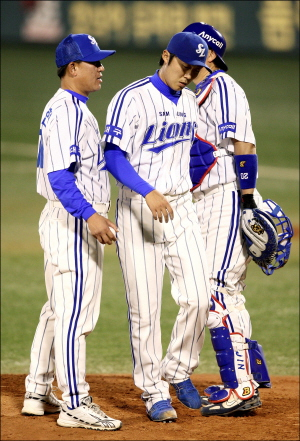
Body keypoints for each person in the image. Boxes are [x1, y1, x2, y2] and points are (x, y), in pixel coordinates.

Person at [101, 32, 212, 423]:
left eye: (196, 71)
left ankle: (177, 368)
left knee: (200, 297)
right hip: (139, 210)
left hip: (180, 208)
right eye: (184, 67)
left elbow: (193, 154)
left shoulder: (189, 100)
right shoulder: (131, 98)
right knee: (145, 310)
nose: (189, 76)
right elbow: (113, 156)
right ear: (166, 56)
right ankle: (153, 391)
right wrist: (148, 191)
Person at [21, 33, 122, 431]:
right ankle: (75, 402)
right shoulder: (67, 110)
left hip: (65, 219)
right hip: (73, 220)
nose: (101, 68)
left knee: (57, 310)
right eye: (94, 62)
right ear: (72, 67)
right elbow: (59, 175)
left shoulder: (71, 107)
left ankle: (36, 390)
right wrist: (90, 216)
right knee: (75, 316)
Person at [182, 22, 272, 416]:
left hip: (227, 198)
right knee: (228, 292)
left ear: (210, 53)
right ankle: (248, 380)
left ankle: (239, 388)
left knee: (216, 289)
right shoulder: (193, 94)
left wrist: (248, 201)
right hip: (208, 201)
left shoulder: (223, 88)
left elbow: (245, 147)